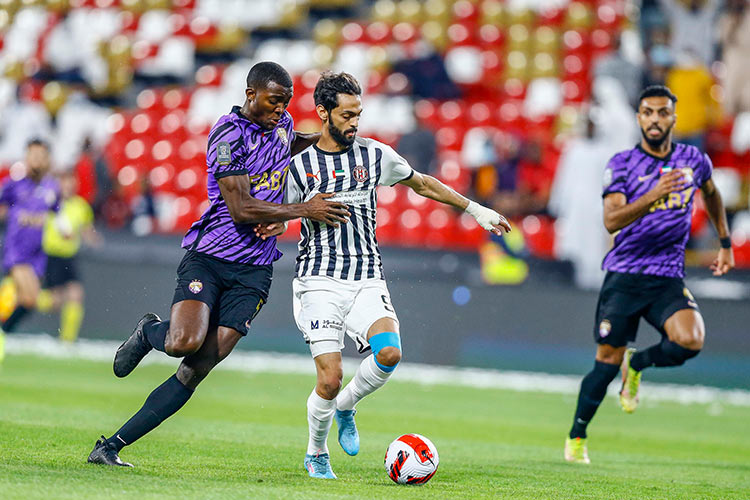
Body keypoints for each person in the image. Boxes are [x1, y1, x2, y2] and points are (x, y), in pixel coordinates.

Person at [86, 61, 350, 467]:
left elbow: (288, 140)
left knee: (197, 367)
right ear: (250, 95)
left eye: (286, 103)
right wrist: (301, 210)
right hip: (211, 257)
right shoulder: (227, 136)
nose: (281, 109)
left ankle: (111, 447)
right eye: (274, 101)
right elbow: (242, 208)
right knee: (182, 343)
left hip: (254, 269)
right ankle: (149, 331)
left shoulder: (280, 123)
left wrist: (324, 138)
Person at [259, 72, 510, 479]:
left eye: (358, 113)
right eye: (346, 114)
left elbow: (423, 184)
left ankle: (346, 406)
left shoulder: (375, 155)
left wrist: (475, 210)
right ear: (323, 112)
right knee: (330, 377)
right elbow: (274, 215)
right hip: (318, 280)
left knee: (390, 354)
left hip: (366, 277)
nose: (354, 122)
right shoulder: (300, 167)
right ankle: (316, 452)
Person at [564, 85, 734, 464]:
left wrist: (725, 241)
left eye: (662, 112)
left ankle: (637, 364)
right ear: (639, 118)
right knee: (605, 363)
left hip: (666, 276)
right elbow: (611, 220)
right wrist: (656, 193)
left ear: (673, 117)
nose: (655, 119)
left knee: (690, 341)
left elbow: (712, 192)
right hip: (625, 275)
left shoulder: (693, 159)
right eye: (647, 113)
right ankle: (577, 435)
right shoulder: (622, 163)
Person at [0, 139, 60, 362]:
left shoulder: (51, 187)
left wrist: (63, 224)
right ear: (26, 158)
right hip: (16, 252)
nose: (37, 160)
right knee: (30, 296)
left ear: (47, 159)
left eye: (41, 155)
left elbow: (56, 209)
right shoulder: (14, 184)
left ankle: (3, 329)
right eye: (33, 155)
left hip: (37, 255)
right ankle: (2, 332)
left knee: (29, 301)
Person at [39, 170, 100, 343]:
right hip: (52, 255)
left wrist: (93, 239)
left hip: (69, 257)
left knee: (76, 295)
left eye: (71, 182)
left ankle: (67, 341)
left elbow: (86, 229)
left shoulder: (81, 206)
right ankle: (21, 299)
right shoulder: (49, 204)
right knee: (55, 302)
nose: (68, 186)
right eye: (64, 182)